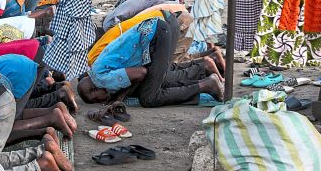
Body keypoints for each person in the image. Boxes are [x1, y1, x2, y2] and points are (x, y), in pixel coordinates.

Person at [76, 11, 224, 110]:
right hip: (161, 26)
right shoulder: (95, 69)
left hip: (157, 34)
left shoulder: (101, 79)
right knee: (154, 80)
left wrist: (120, 97)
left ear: (94, 89)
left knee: (149, 97)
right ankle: (203, 67)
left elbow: (141, 72)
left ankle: (206, 85)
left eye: (97, 99)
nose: (101, 101)